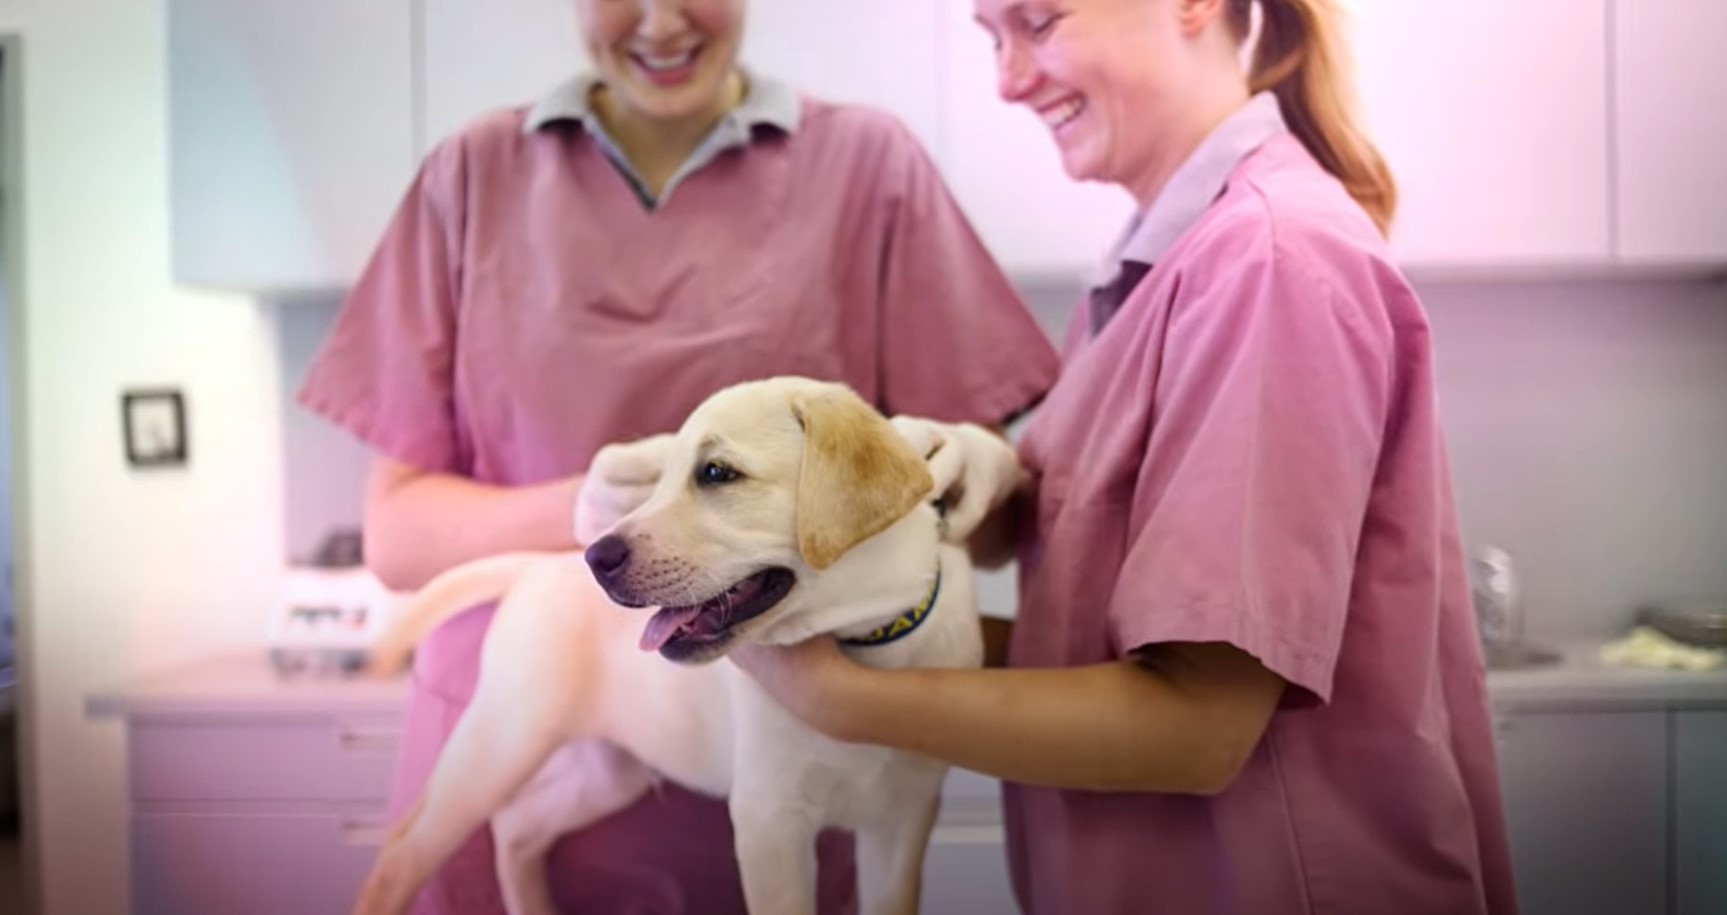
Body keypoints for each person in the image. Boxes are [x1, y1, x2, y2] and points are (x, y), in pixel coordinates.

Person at [731, 0, 1520, 913]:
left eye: (1037, 22)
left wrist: (833, 695)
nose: (1007, 80)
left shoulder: (1266, 263)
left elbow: (1195, 726)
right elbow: (1075, 633)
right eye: (990, 38)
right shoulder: (1151, 272)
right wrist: (903, 582)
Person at [294, 0, 1061, 910]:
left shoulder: (867, 167)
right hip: (526, 746)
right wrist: (599, 510)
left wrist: (984, 468)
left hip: (804, 755)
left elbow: (982, 529)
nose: (659, 20)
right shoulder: (468, 176)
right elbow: (395, 538)